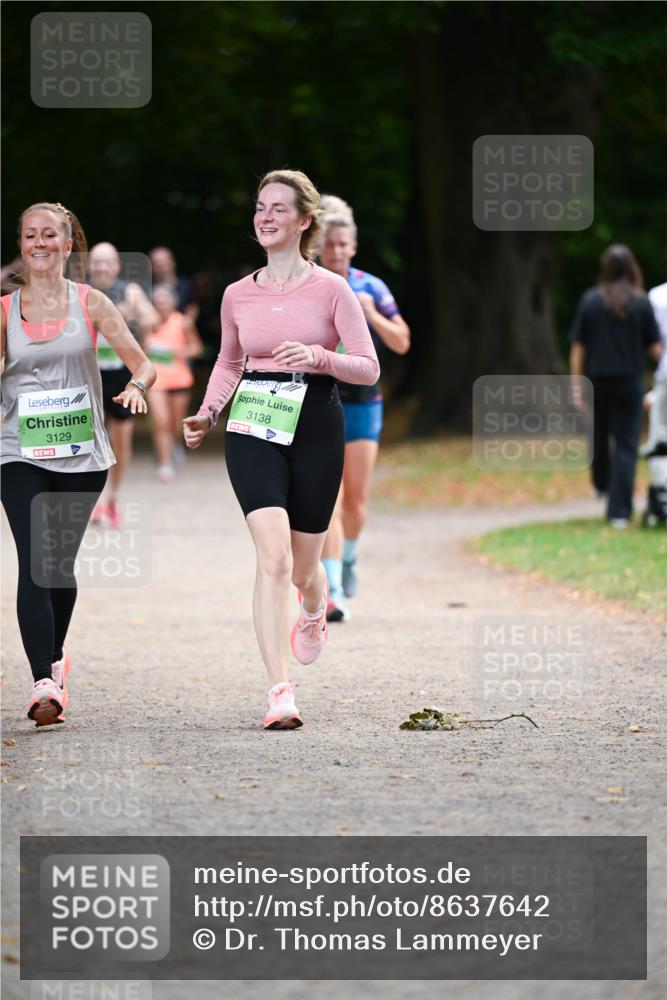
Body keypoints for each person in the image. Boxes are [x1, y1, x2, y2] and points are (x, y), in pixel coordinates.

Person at [183, 170, 379, 730]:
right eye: (260, 207)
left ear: (303, 221)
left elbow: (368, 367)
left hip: (316, 420)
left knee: (301, 568)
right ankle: (279, 691)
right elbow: (229, 361)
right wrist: (208, 412)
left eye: (278, 209)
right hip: (253, 420)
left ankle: (314, 603)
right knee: (272, 557)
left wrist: (318, 356)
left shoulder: (332, 290)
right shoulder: (237, 294)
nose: (265, 217)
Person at [0, 202, 155, 726]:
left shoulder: (91, 302)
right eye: (30, 235)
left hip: (80, 454)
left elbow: (142, 364)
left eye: (49, 235)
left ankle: (54, 657)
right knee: (35, 559)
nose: (39, 243)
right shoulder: (5, 310)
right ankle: (42, 680)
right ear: (21, 244)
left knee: (57, 565)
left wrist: (136, 387)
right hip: (18, 450)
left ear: (68, 245)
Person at [318, 197, 410, 620]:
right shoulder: (310, 285)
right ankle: (333, 589)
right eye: (329, 244)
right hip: (322, 398)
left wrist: (371, 314)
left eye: (343, 244)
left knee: (356, 500)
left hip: (363, 400)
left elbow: (402, 341)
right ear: (318, 245)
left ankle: (349, 558)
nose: (336, 251)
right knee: (330, 500)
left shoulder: (371, 287)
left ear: (353, 247)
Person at [569, 244, 661, 527]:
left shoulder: (590, 301)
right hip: (629, 384)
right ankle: (619, 512)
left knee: (598, 436)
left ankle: (601, 484)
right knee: (626, 445)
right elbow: (656, 349)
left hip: (598, 381)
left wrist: (576, 384)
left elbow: (578, 348)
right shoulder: (641, 302)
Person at [88, 242, 159, 526]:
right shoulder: (83, 292)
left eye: (107, 262)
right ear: (90, 265)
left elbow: (153, 318)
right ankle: (94, 501)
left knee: (121, 440)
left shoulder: (129, 290)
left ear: (116, 266)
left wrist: (132, 314)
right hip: (91, 374)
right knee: (90, 441)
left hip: (120, 374)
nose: (102, 267)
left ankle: (113, 499)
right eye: (97, 262)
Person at [144, 284, 203, 480]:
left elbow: (197, 348)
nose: (161, 304)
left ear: (173, 302)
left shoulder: (183, 322)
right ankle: (165, 463)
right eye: (157, 301)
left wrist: (176, 352)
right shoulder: (147, 324)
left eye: (165, 300)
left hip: (179, 379)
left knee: (176, 424)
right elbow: (139, 350)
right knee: (161, 422)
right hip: (156, 380)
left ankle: (175, 444)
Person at [148, 246, 198, 322]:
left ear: (173, 262)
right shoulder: (146, 290)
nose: (161, 267)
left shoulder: (186, 286)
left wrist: (188, 320)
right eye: (157, 263)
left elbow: (193, 305)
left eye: (164, 262)